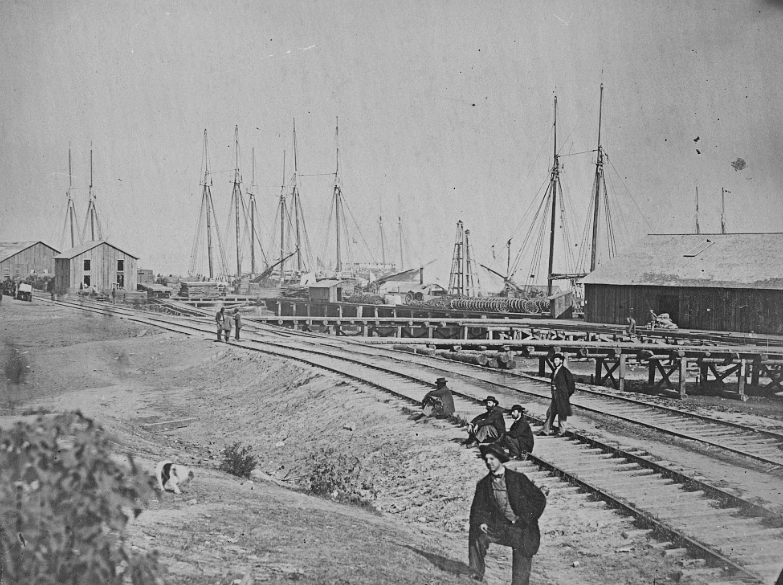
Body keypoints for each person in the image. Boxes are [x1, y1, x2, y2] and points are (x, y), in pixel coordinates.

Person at [468, 443, 547, 585]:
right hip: (498, 528)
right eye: (486, 459)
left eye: (492, 459)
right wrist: (482, 521)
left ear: (500, 459)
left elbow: (539, 499)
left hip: (519, 528)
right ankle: (475, 576)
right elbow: (477, 508)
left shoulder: (518, 478)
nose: (488, 462)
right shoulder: (483, 484)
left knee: (523, 547)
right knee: (476, 532)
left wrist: (525, 519)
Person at [540, 353, 575, 436]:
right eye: (554, 360)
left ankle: (562, 432)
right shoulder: (555, 370)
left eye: (556, 360)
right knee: (551, 412)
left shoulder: (565, 371)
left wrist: (566, 395)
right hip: (555, 395)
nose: (555, 362)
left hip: (562, 396)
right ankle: (545, 431)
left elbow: (571, 385)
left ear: (561, 361)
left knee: (562, 414)